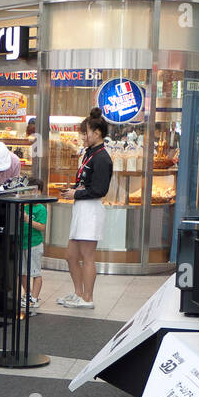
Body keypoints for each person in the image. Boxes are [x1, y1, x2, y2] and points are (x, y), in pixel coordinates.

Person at [59, 107, 114, 310]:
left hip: (90, 210)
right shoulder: (89, 154)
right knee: (71, 256)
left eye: (86, 132)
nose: (83, 136)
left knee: (87, 256)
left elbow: (99, 189)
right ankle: (78, 293)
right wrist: (74, 190)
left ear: (97, 133)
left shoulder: (102, 158)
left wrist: (77, 193)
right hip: (81, 208)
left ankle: (88, 298)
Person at [20, 178, 48, 313]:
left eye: (35, 190)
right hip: (21, 244)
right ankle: (28, 293)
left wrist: (27, 220)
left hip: (34, 244)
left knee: (35, 272)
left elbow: (42, 227)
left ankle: (35, 298)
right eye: (29, 190)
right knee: (22, 272)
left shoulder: (41, 208)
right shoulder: (22, 205)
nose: (32, 193)